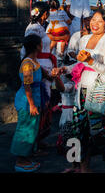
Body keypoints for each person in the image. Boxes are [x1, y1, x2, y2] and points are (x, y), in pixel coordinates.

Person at [67, 9, 105, 173]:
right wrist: (63, 69)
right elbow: (79, 65)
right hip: (80, 91)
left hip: (97, 91)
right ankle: (79, 166)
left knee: (97, 131)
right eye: (93, 20)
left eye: (99, 21)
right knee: (77, 130)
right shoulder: (83, 39)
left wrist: (90, 60)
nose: (95, 24)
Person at [11, 34, 55, 172]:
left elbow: (45, 74)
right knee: (25, 129)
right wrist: (31, 104)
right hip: (27, 101)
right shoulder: (27, 64)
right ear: (37, 46)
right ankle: (21, 160)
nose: (43, 45)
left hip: (35, 98)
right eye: (41, 43)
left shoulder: (34, 61)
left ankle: (28, 154)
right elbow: (27, 86)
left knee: (32, 128)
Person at [23, 1, 57, 154]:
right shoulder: (34, 29)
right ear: (44, 14)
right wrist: (42, 70)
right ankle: (34, 142)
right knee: (41, 105)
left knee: (45, 104)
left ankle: (39, 139)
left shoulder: (37, 27)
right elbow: (29, 51)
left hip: (44, 65)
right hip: (39, 68)